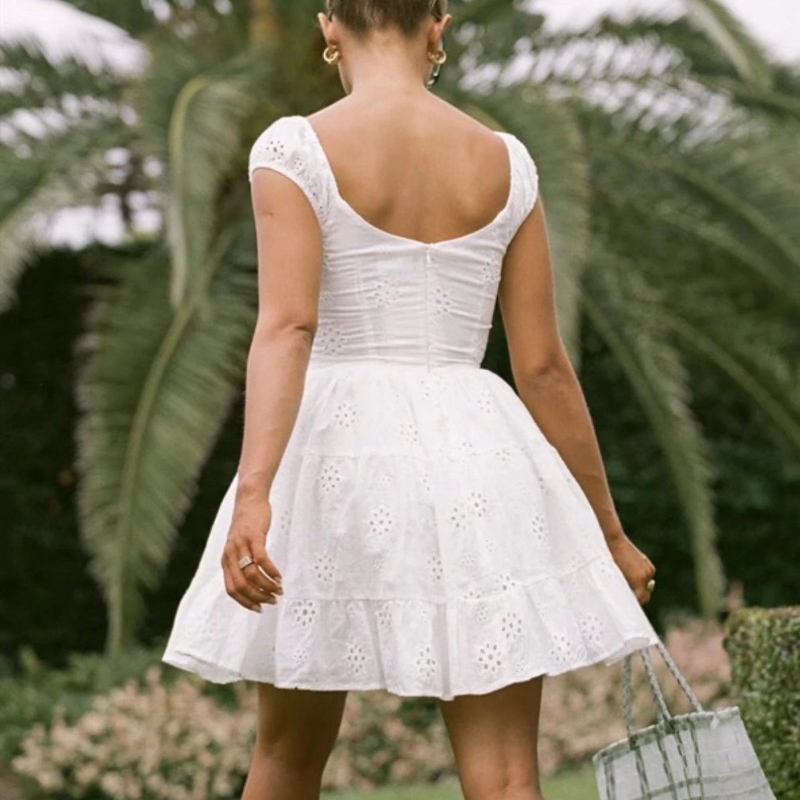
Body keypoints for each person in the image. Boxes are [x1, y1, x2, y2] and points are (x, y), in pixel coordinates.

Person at [162, 1, 659, 798]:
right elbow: (543, 370)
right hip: (483, 457)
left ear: (329, 26)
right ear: (438, 27)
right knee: (507, 777)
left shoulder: (295, 149)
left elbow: (288, 327)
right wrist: (608, 533)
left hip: (335, 460)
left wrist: (254, 494)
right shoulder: (507, 161)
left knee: (287, 759)